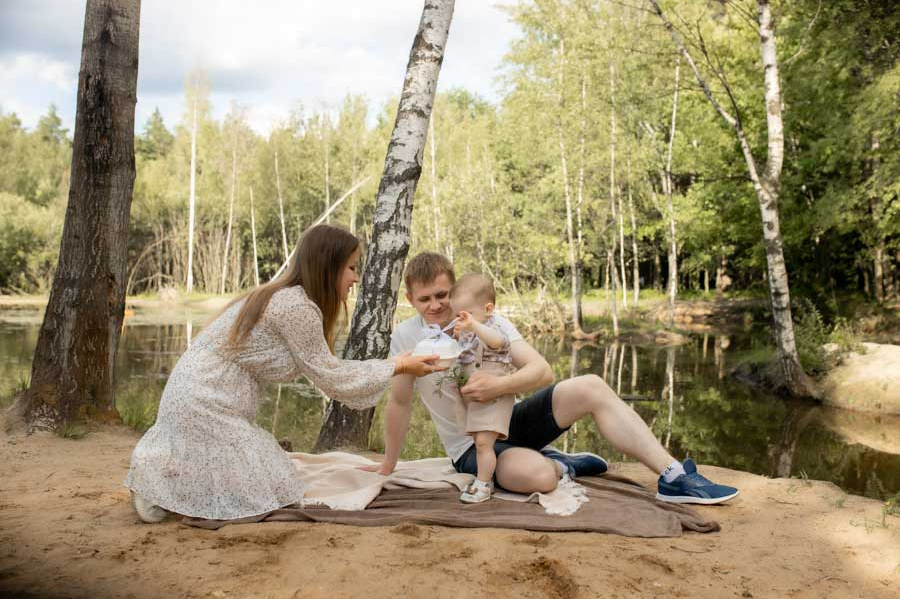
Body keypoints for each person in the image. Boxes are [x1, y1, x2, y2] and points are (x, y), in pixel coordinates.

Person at [124, 225, 443, 523]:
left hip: (197, 393)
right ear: (328, 267)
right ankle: (158, 487)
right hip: (204, 400)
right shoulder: (295, 306)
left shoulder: (284, 297)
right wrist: (396, 366)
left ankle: (164, 481)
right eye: (351, 267)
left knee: (272, 475)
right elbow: (331, 376)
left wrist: (393, 365)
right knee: (275, 487)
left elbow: (326, 368)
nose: (355, 278)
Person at [372, 252, 738, 505]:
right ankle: (563, 465)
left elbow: (542, 371)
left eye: (442, 295)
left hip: (510, 419)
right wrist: (388, 466)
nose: (435, 305)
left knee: (591, 385)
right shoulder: (406, 338)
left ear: (454, 291)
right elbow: (401, 403)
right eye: (425, 299)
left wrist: (498, 386)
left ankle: (674, 477)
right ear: (410, 299)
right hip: (471, 445)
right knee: (540, 478)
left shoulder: (487, 322)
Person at [445, 274, 515, 503]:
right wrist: (460, 336)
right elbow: (463, 356)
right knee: (479, 442)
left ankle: (483, 484)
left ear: (488, 309)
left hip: (494, 397)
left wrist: (473, 326)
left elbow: (498, 343)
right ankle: (486, 479)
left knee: (484, 443)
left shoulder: (495, 326)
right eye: (458, 316)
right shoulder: (471, 331)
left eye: (468, 315)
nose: (463, 320)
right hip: (474, 398)